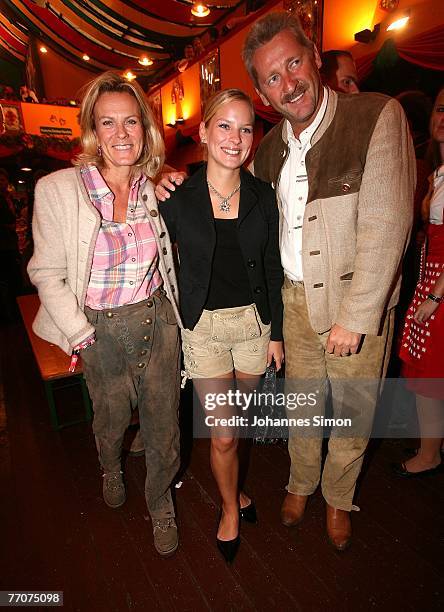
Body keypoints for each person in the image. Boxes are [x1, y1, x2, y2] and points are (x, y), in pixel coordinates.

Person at [241, 11, 415, 550]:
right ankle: (300, 484)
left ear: (315, 56)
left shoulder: (375, 116)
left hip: (351, 304)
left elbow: (388, 227)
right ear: (262, 93)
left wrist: (357, 317)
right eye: (273, 77)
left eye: (294, 63)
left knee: (353, 412)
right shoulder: (266, 150)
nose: (288, 83)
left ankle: (339, 499)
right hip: (293, 303)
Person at [27, 71, 182, 557]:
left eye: (131, 121)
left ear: (145, 128)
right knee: (111, 420)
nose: (121, 133)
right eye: (108, 122)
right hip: (99, 330)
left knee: (164, 424)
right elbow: (46, 272)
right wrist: (79, 333)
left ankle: (160, 504)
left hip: (158, 321)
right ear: (92, 131)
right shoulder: (57, 190)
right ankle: (111, 465)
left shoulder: (156, 188)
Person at [158, 89, 284, 562]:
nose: (236, 137)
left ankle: (238, 490)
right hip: (204, 330)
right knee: (225, 433)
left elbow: (272, 266)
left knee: (242, 425)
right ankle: (230, 508)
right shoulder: (177, 196)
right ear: (204, 132)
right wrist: (153, 180)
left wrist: (276, 332)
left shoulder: (262, 195)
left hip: (254, 328)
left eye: (246, 127)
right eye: (225, 126)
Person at [394, 86, 444, 477]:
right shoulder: (437, 170)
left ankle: (430, 454)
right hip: (431, 275)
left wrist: (435, 296)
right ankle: (432, 446)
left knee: (431, 372)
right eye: (441, 108)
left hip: (439, 283)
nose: (443, 117)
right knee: (429, 370)